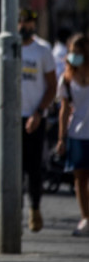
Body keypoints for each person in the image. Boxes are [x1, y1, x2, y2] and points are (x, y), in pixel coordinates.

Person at [0, 8, 57, 233]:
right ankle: (12, 213)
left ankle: (35, 208)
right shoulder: (2, 45)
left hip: (33, 117)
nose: (25, 27)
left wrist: (39, 113)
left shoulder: (43, 50)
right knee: (9, 168)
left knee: (33, 168)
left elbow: (52, 86)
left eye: (29, 23)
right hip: (9, 116)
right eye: (21, 23)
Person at [57, 34, 89, 236]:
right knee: (80, 179)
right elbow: (64, 110)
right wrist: (61, 138)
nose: (73, 56)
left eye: (78, 53)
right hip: (77, 134)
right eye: (71, 52)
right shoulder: (67, 79)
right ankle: (85, 218)